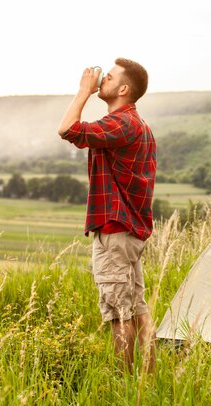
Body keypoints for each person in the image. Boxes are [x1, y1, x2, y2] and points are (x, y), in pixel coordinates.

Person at [57, 58, 157, 373]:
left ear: (123, 89)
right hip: (128, 232)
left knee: (118, 315)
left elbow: (68, 129)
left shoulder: (122, 123)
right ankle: (149, 381)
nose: (103, 80)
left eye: (110, 77)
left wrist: (83, 92)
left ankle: (126, 386)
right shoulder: (138, 125)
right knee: (137, 311)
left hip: (115, 231)